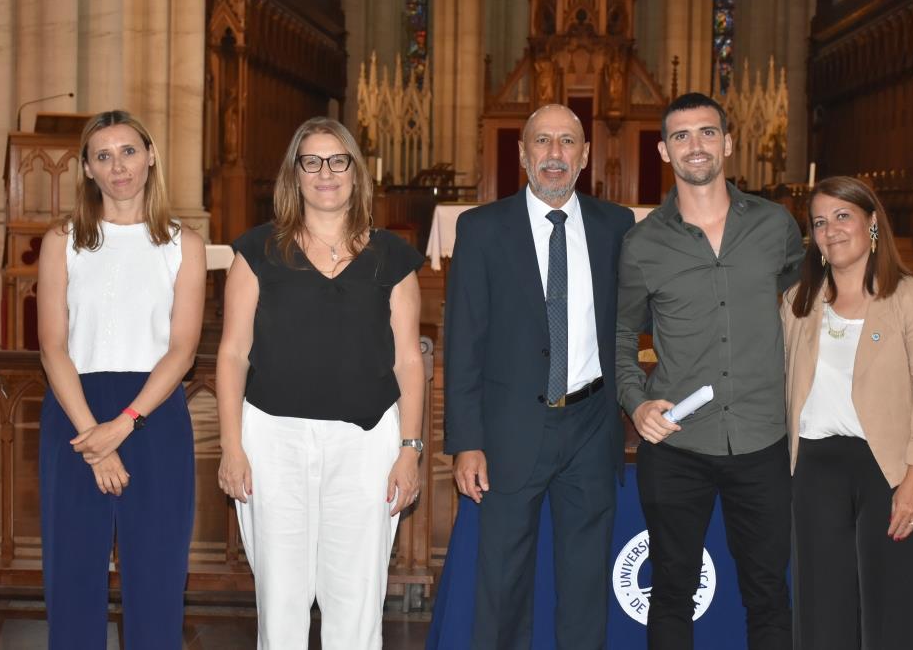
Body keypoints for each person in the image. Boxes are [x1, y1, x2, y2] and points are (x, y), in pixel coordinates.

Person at [216, 116, 425, 650]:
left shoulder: (392, 257)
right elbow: (233, 353)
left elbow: (408, 361)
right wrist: (231, 446)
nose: (325, 173)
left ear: (356, 173)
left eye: (338, 161)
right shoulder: (256, 251)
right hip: (272, 439)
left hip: (365, 441)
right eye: (312, 161)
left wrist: (410, 450)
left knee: (355, 596)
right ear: (295, 174)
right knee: (281, 598)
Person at [615, 92, 804, 649]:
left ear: (727, 141)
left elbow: (809, 305)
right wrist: (636, 400)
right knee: (671, 590)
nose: (695, 145)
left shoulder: (775, 226)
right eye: (681, 136)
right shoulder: (642, 244)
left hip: (762, 438)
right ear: (664, 151)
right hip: (678, 444)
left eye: (705, 132)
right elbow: (621, 336)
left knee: (768, 591)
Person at [445, 103, 635, 650]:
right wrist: (467, 443)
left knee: (584, 583)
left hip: (592, 425)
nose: (555, 154)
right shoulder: (481, 229)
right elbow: (464, 344)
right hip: (509, 430)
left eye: (567, 142)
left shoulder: (616, 226)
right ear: (523, 152)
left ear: (585, 156)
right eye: (543, 142)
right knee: (502, 582)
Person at [37, 109, 206, 649]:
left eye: (129, 152)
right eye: (103, 156)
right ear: (86, 168)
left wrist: (125, 424)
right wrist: (96, 439)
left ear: (151, 156)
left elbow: (182, 350)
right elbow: (52, 346)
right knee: (73, 576)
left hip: (153, 415)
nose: (118, 167)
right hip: (75, 412)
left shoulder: (186, 244)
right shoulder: (62, 241)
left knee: (156, 576)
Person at [781, 176, 913, 649]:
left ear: (871, 223)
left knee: (892, 615)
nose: (831, 230)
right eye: (820, 222)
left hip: (892, 471)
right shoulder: (798, 303)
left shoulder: (912, 301)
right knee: (821, 615)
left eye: (843, 216)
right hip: (815, 470)